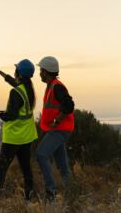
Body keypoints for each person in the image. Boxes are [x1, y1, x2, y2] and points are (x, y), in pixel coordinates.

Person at [0, 59, 38, 201]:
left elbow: (12, 116)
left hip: (13, 138)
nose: (14, 73)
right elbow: (11, 81)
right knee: (26, 171)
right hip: (26, 137)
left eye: (16, 70)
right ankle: (29, 199)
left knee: (1, 171)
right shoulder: (28, 89)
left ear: (19, 74)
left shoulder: (15, 92)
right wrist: (0, 72)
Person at [35, 56, 75, 201]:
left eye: (41, 70)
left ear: (46, 72)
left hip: (60, 129)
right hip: (59, 130)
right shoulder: (52, 86)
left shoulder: (57, 86)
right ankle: (73, 194)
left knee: (41, 154)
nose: (39, 73)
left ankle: (50, 192)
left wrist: (57, 121)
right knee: (63, 166)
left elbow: (69, 105)